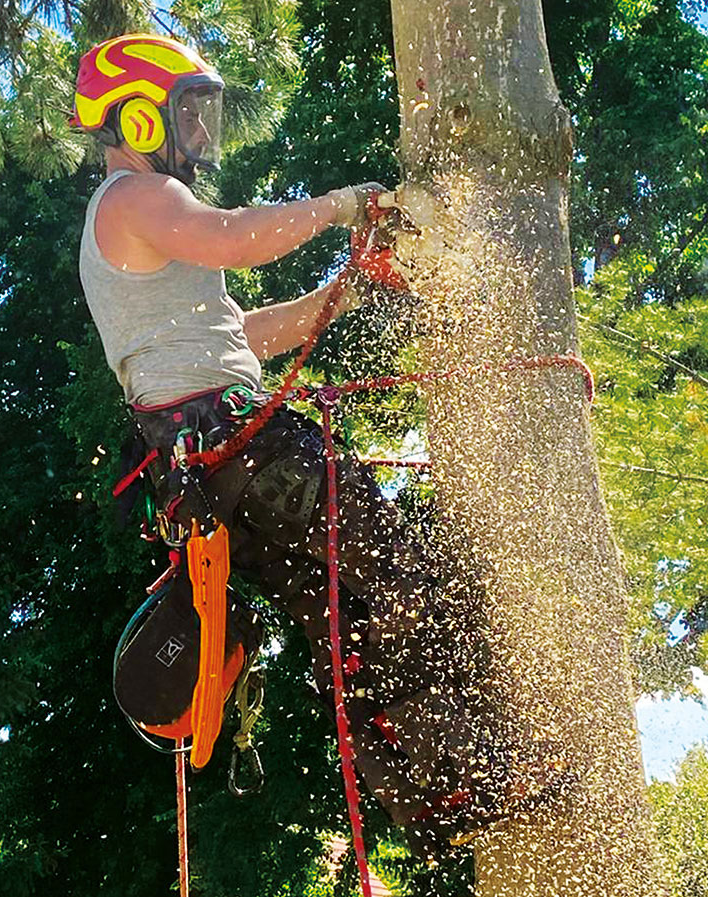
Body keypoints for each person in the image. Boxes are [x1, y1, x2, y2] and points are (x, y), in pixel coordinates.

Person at [73, 32, 550, 854]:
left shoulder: (146, 235)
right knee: (398, 570)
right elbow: (233, 238)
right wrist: (345, 203)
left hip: (214, 473)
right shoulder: (129, 197)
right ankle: (478, 765)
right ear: (137, 118)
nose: (199, 139)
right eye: (187, 117)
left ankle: (440, 795)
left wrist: (351, 286)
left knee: (352, 619)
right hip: (244, 450)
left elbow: (243, 334)